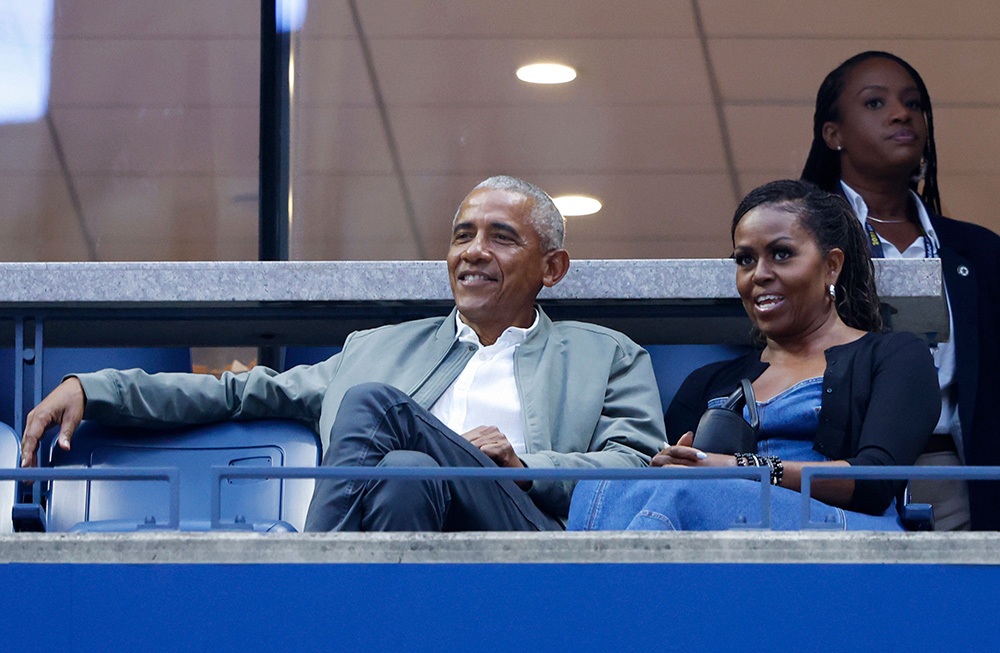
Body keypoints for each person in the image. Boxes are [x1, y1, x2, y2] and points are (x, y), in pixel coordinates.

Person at [20, 175, 666, 532]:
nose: (473, 250)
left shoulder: (605, 354)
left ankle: (311, 573)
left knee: (373, 405)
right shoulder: (378, 349)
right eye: (462, 234)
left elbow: (635, 466)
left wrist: (524, 462)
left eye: (501, 237)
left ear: (552, 267)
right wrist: (94, 387)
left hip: (529, 545)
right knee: (409, 466)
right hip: (398, 533)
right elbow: (238, 391)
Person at [568, 179, 940, 532]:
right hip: (716, 534)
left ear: (832, 265)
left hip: (839, 532)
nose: (759, 274)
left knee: (687, 492)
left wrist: (737, 469)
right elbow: (663, 476)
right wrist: (670, 462)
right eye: (745, 260)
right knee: (599, 489)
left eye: (781, 254)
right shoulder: (707, 381)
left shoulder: (893, 355)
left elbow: (875, 482)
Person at [801, 51, 1000, 530]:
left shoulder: (979, 251)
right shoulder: (797, 244)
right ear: (834, 134)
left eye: (913, 104)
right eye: (875, 103)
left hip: (961, 474)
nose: (900, 113)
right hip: (837, 471)